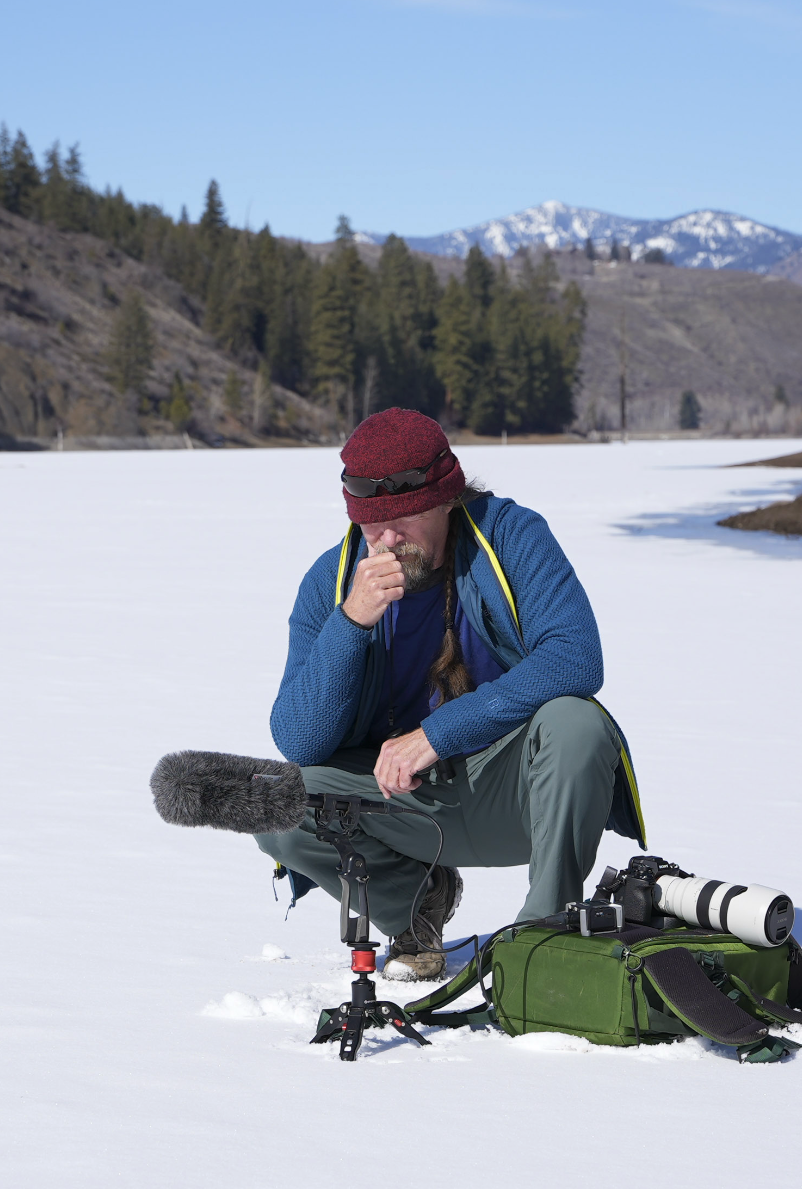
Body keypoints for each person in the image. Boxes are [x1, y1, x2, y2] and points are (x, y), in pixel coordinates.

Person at [256, 408, 645, 980]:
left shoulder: (511, 537)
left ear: (446, 497)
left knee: (577, 723)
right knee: (272, 803)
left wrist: (439, 734)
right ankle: (414, 909)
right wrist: (352, 623)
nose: (388, 540)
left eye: (404, 518)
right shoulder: (334, 581)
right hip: (400, 803)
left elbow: (576, 657)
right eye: (371, 523)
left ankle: (542, 934)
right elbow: (298, 739)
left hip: (511, 792)